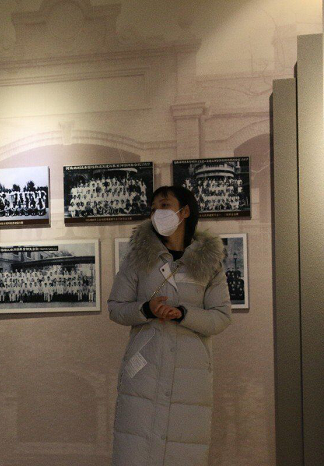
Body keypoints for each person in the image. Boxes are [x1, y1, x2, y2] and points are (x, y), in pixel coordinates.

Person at [108, 185, 232, 466]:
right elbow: (116, 308)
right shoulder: (138, 259)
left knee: (183, 447)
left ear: (184, 211)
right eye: (153, 209)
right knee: (136, 447)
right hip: (145, 367)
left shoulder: (209, 263)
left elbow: (221, 316)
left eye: (164, 205)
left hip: (191, 370)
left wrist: (183, 314)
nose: (157, 213)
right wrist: (146, 309)